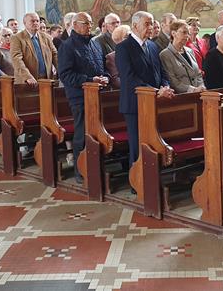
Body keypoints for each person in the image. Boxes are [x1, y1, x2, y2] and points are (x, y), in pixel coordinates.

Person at [115, 11, 174, 166]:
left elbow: (161, 72)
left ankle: (152, 174)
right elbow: (129, 77)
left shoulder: (153, 46)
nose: (151, 27)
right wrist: (155, 91)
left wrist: (165, 86)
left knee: (152, 142)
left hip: (154, 101)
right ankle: (136, 176)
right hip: (134, 104)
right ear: (135, 26)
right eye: (147, 24)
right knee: (138, 144)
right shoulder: (123, 48)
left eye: (152, 23)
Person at [58, 12, 109, 181]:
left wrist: (105, 77)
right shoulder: (67, 46)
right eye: (86, 23)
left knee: (97, 132)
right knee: (82, 134)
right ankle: (80, 170)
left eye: (90, 23)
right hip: (79, 97)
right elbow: (65, 75)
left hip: (98, 95)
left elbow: (102, 66)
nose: (89, 26)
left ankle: (95, 166)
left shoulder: (94, 43)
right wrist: (89, 80)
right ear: (75, 25)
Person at [10, 12, 57, 86]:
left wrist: (62, 71)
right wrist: (27, 76)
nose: (35, 23)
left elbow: (55, 55)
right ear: (25, 23)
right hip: (27, 81)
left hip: (47, 80)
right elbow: (17, 59)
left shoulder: (46, 37)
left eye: (37, 21)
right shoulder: (17, 38)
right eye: (32, 21)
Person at [160, 21, 205, 93]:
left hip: (199, 93)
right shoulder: (165, 54)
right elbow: (173, 81)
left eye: (188, 33)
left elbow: (198, 74)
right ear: (173, 33)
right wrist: (193, 90)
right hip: (181, 96)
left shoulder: (190, 51)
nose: (187, 36)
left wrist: (201, 87)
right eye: (184, 32)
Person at [105, 25, 131, 89]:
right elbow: (116, 81)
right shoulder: (112, 57)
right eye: (127, 37)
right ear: (119, 41)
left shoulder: (138, 52)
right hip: (128, 90)